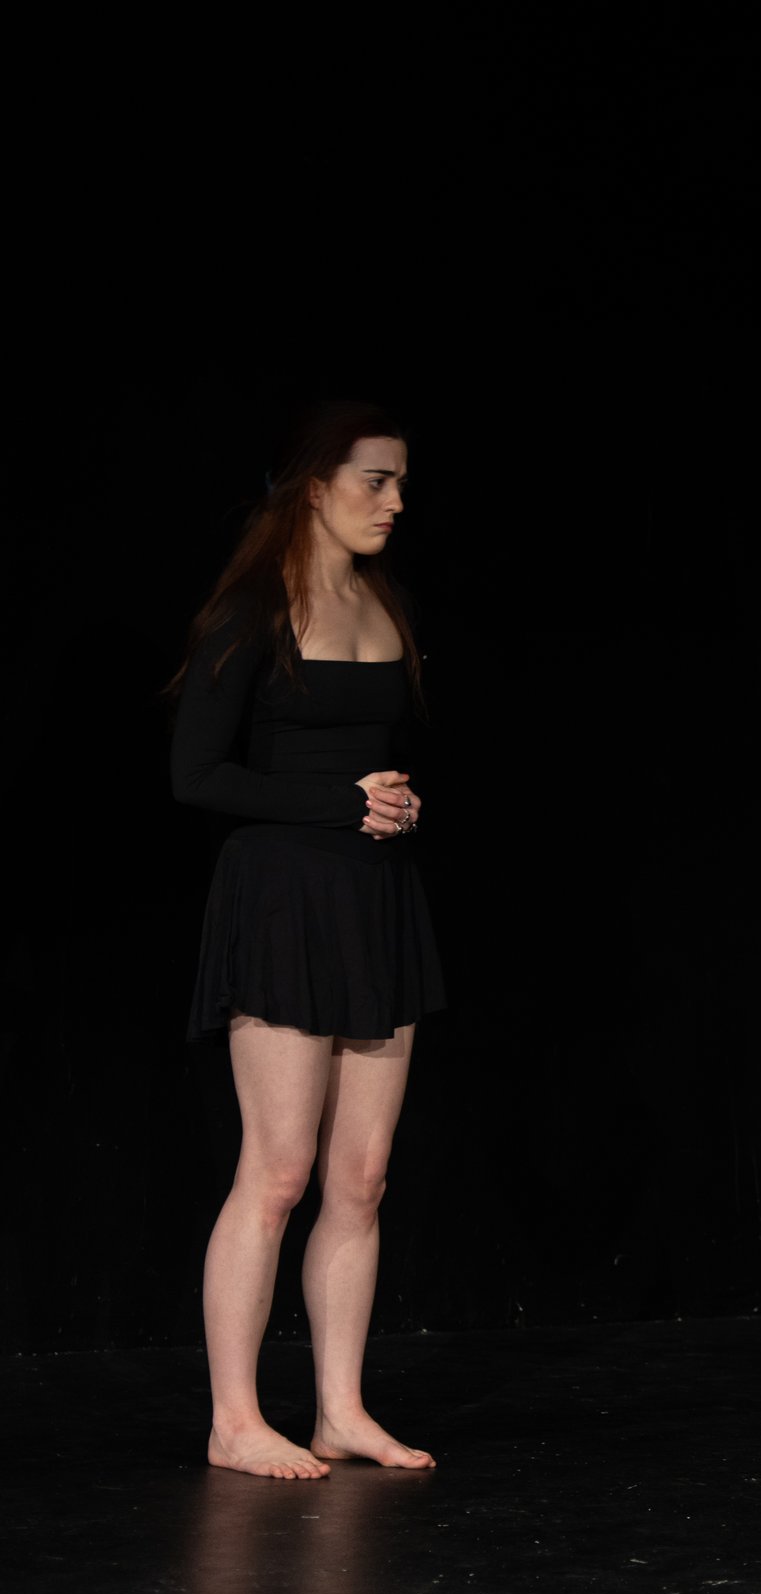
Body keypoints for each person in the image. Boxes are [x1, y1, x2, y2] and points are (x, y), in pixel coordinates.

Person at [168, 401, 445, 1479]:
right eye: (377, 479)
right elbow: (197, 774)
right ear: (316, 486)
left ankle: (339, 1409)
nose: (396, 501)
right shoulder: (254, 610)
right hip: (282, 897)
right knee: (279, 1170)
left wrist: (394, 806)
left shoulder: (385, 601)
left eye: (401, 481)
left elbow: (372, 760)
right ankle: (234, 1420)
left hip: (375, 900)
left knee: (361, 1177)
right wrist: (342, 802)